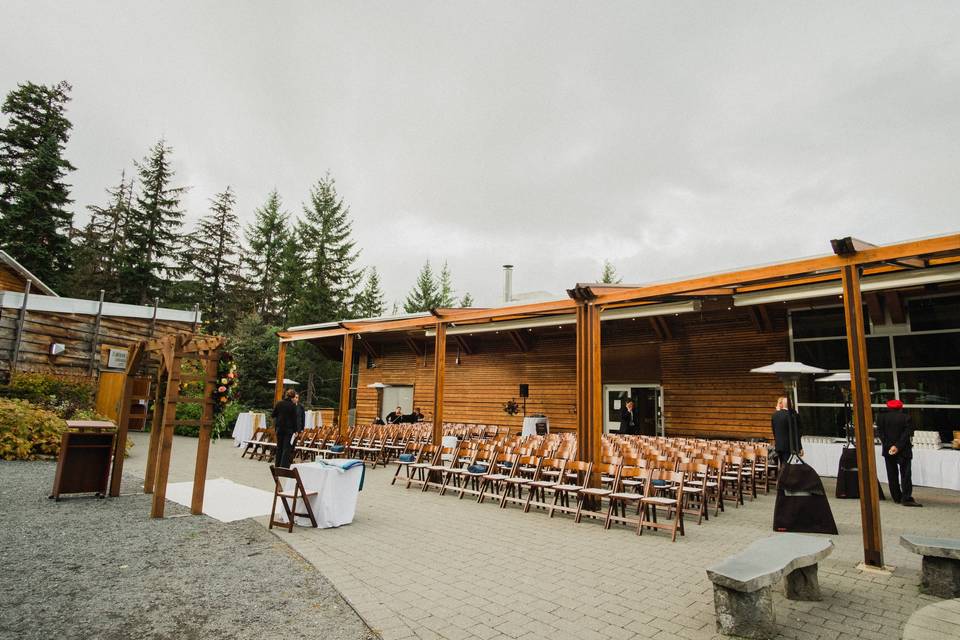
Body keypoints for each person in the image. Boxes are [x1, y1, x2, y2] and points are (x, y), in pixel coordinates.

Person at [877, 399, 920, 506]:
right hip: (903, 450)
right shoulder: (906, 418)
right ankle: (906, 498)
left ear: (888, 407)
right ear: (901, 408)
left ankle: (896, 497)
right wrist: (897, 446)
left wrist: (890, 446)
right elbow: (906, 434)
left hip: (888, 450)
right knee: (905, 474)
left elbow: (881, 433)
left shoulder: (881, 418)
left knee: (892, 474)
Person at [271, 389, 298, 468]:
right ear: (293, 397)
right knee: (286, 448)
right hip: (289, 430)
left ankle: (277, 465)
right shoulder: (293, 405)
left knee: (279, 447)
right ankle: (283, 466)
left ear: (286, 395)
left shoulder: (279, 403)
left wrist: (280, 416)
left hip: (279, 428)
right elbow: (294, 419)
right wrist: (296, 430)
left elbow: (273, 415)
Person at [771, 396, 802, 463]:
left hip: (779, 446)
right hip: (790, 447)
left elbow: (774, 431)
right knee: (791, 467)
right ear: (790, 404)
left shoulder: (775, 415)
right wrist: (799, 447)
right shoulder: (793, 415)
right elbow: (797, 432)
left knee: (783, 465)